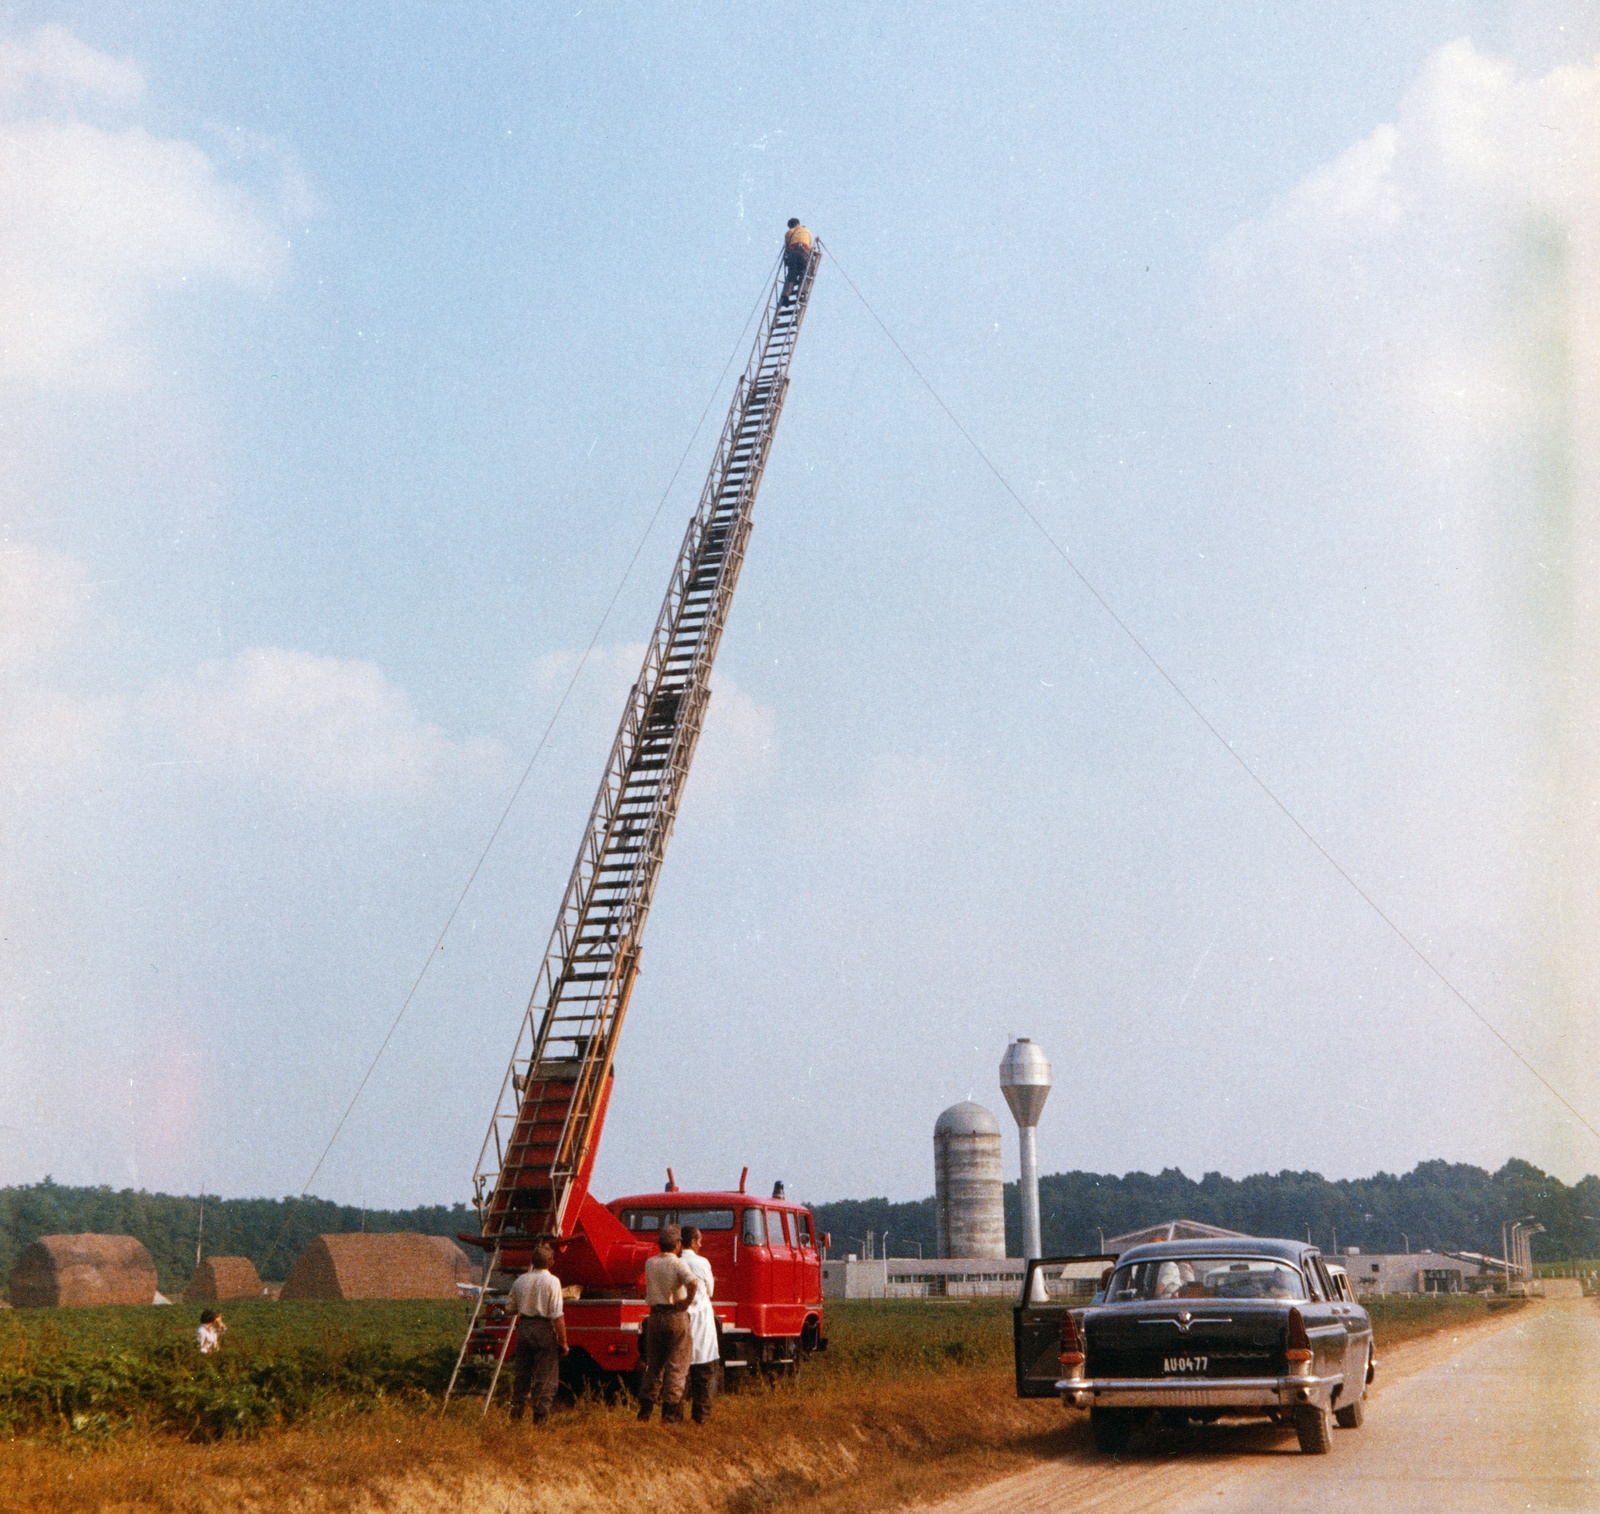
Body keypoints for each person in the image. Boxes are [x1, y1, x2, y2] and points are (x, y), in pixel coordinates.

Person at [638, 1222, 698, 1423]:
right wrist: (687, 1301)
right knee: (677, 1365)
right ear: (677, 1244)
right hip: (674, 1315)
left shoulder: (650, 1263)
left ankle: (645, 1411)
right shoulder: (678, 1263)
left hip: (655, 1316)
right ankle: (670, 1414)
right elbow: (693, 1282)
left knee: (654, 1365)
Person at [507, 1243, 568, 1424]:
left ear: (531, 1261)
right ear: (551, 1262)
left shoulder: (520, 1280)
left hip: (524, 1327)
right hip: (543, 1328)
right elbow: (557, 1315)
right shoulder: (552, 1282)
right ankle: (539, 1419)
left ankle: (515, 1416)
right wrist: (563, 1342)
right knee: (546, 1375)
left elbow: (509, 1308)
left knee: (522, 1375)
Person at [681, 1225, 719, 1424]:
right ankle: (700, 1417)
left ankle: (674, 1416)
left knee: (680, 1373)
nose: (701, 1244)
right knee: (703, 1373)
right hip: (701, 1321)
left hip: (681, 1320)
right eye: (700, 1241)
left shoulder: (676, 1261)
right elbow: (710, 1291)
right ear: (693, 1242)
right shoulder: (702, 1262)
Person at [781, 218, 812, 304]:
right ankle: (801, 293)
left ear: (790, 226)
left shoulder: (789, 233)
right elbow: (809, 245)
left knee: (791, 274)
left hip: (793, 253)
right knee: (804, 273)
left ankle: (786, 294)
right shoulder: (807, 231)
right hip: (804, 252)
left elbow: (787, 248)